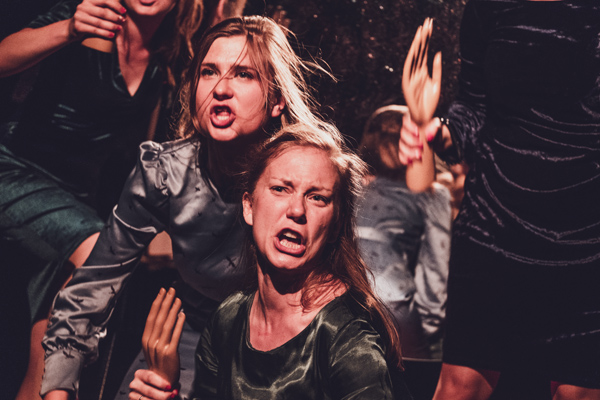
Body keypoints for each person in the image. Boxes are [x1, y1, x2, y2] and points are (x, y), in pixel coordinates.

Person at [42, 16, 339, 400]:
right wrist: (58, 390)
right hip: (189, 340)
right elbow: (92, 290)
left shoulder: (310, 181)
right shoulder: (165, 174)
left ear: (278, 99)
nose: (221, 88)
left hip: (286, 348)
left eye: (244, 74)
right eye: (208, 72)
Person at [0, 0, 218, 399]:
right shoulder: (88, 17)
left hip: (78, 199)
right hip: (15, 172)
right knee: (98, 257)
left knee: (47, 342)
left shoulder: (170, 53)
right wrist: (68, 30)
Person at [399, 1, 600, 399]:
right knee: (459, 389)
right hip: (492, 225)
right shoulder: (487, 8)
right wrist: (437, 131)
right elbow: (474, 110)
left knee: (577, 392)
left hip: (585, 237)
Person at [130, 124, 414, 400]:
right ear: (249, 206)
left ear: (336, 224)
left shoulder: (347, 334)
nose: (297, 209)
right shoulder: (228, 319)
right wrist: (166, 394)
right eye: (280, 189)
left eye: (317, 197)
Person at [356, 105, 451, 360]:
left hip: (344, 311)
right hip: (399, 319)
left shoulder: (348, 186)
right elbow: (435, 272)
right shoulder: (431, 196)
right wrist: (431, 335)